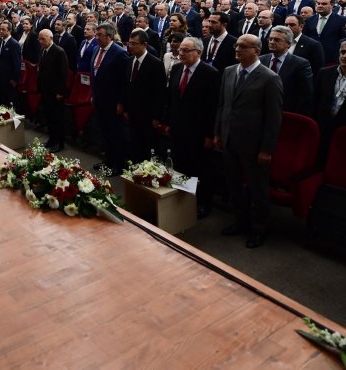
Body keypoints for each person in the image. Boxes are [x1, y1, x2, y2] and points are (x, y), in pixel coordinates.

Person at [214, 34, 284, 249]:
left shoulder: (269, 78)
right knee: (234, 185)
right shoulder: (228, 71)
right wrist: (218, 133)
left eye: (243, 46)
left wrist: (267, 148)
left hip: (254, 144)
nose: (237, 49)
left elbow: (274, 118)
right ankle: (240, 221)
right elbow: (222, 106)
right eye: (236, 45)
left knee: (257, 188)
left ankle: (259, 229)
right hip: (229, 139)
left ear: (256, 50)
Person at [166, 36, 221, 218]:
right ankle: (183, 199)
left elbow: (212, 107)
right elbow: (172, 99)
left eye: (185, 51)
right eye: (180, 50)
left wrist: (209, 134)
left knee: (200, 168)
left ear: (198, 53)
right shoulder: (176, 69)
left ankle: (203, 203)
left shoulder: (210, 74)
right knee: (180, 165)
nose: (180, 53)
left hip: (198, 131)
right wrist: (169, 123)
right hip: (178, 128)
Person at [118, 29, 165, 162]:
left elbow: (159, 93)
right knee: (134, 142)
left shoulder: (155, 63)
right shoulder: (130, 60)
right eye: (129, 43)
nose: (130, 46)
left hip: (148, 114)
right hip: (132, 111)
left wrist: (157, 116)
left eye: (134, 44)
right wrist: (124, 106)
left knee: (147, 145)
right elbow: (126, 86)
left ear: (144, 45)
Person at [92, 22, 131, 170]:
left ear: (109, 36)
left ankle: (118, 164)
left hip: (113, 102)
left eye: (99, 35)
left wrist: (121, 103)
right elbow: (95, 75)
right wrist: (93, 94)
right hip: (100, 99)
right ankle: (108, 160)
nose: (96, 38)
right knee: (105, 132)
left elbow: (124, 82)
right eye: (96, 34)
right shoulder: (97, 49)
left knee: (116, 133)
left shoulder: (119, 53)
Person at [260, 26, 313, 116]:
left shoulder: (300, 64)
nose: (272, 42)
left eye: (277, 40)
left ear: (288, 44)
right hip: (261, 111)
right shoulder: (261, 60)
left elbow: (305, 95)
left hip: (286, 113)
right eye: (270, 39)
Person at [36, 29, 69, 151]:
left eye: (43, 39)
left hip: (55, 92)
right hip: (45, 90)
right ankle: (51, 140)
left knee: (57, 118)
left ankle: (59, 143)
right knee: (49, 117)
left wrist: (61, 92)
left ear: (50, 38)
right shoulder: (43, 50)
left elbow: (63, 74)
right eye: (39, 39)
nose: (40, 41)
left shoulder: (59, 52)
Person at [0, 20, 22, 107]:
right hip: (0, 75)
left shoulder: (14, 44)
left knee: (11, 101)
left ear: (9, 31)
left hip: (9, 78)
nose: (0, 31)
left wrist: (14, 79)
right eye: (0, 29)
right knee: (2, 99)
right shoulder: (1, 41)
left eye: (3, 29)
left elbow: (17, 63)